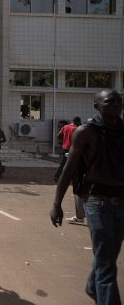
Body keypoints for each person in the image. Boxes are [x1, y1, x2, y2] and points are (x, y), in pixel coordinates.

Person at [50, 89, 124, 305]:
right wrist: (57, 204)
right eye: (110, 102)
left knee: (107, 257)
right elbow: (69, 169)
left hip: (121, 202)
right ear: (97, 106)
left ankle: (93, 286)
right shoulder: (86, 132)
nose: (117, 106)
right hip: (97, 202)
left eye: (119, 102)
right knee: (106, 264)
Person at [53, 116, 85, 225]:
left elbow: (58, 135)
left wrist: (61, 141)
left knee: (65, 165)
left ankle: (57, 176)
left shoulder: (66, 127)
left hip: (66, 148)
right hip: (73, 148)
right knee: (66, 165)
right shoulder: (78, 129)